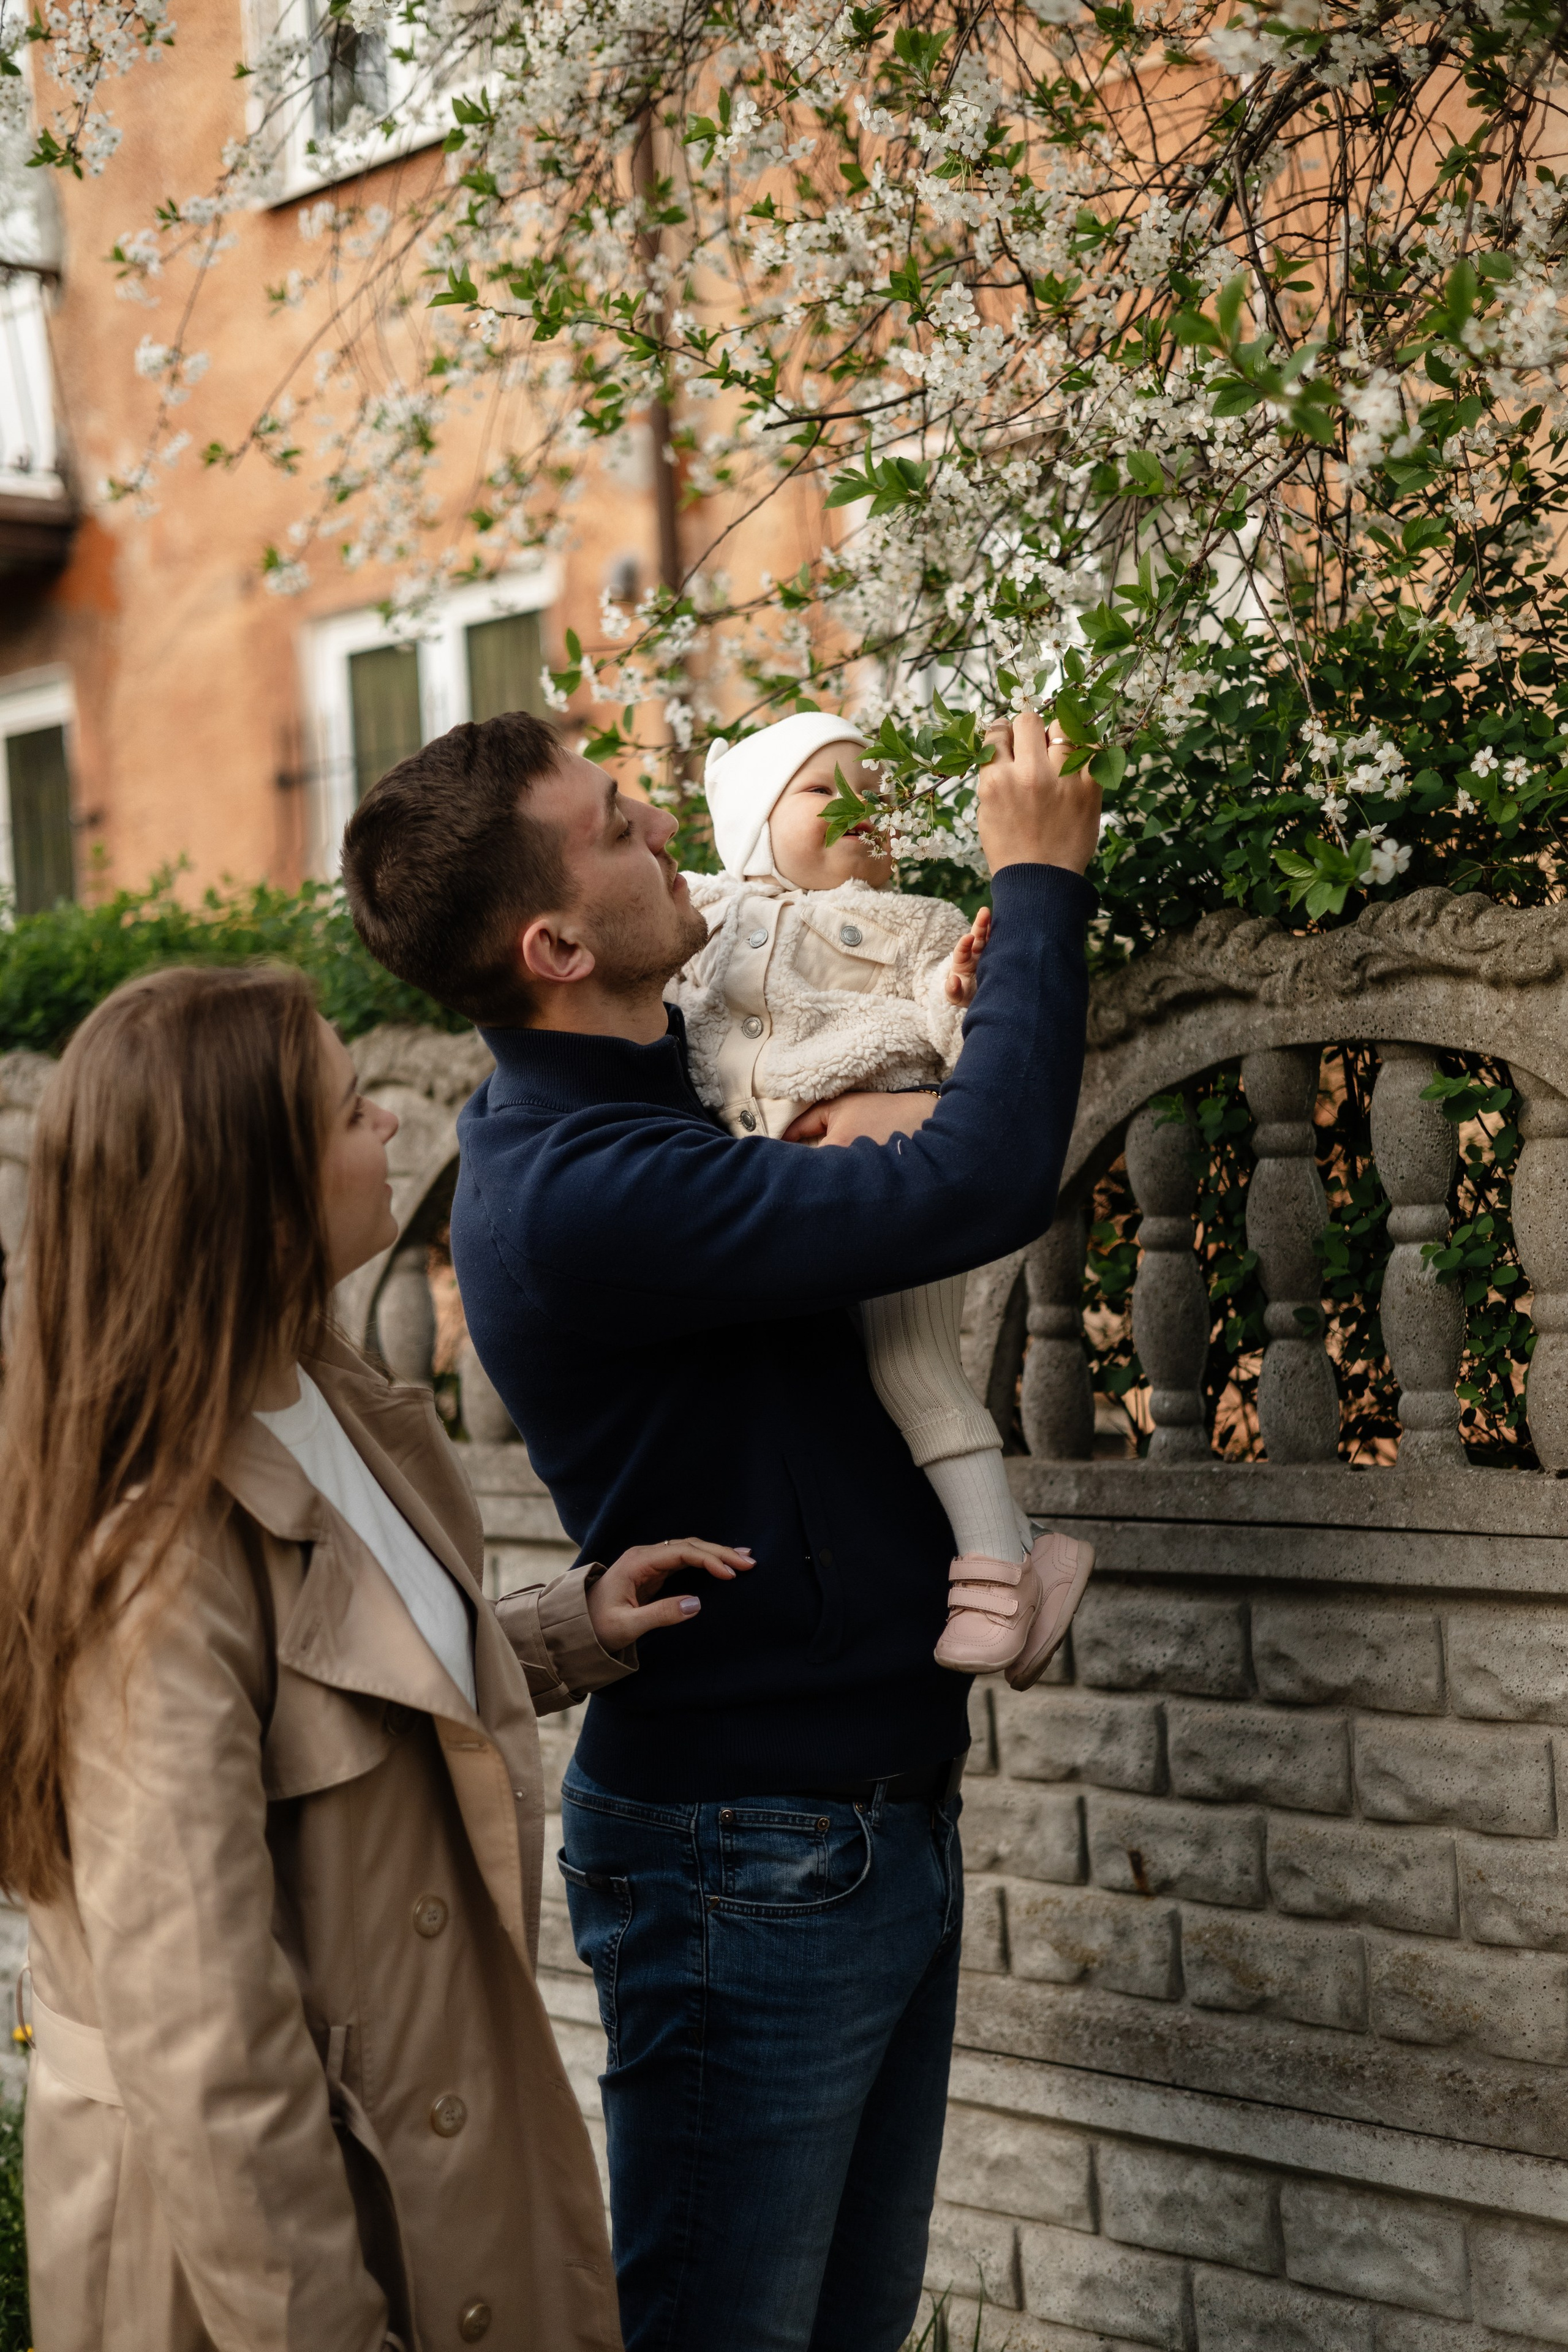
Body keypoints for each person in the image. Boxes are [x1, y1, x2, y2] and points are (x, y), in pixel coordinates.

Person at [340, 704, 1099, 2352]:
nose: (661, 837)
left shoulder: (670, 1087)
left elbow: (898, 1108)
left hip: (858, 1818)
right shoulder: (584, 1181)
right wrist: (1039, 888)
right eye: (616, 829)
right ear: (552, 943)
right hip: (747, 1855)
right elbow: (981, 1181)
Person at [0, 962, 748, 2352]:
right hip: (267, 2256)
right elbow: (205, 2050)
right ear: (256, 1190)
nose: (392, 1129)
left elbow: (353, 1689)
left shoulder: (321, 1390)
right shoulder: (158, 1566)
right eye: (349, 1112)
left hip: (427, 2160)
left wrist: (560, 1632)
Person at [676, 709, 1094, 1679]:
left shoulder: (920, 922)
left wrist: (959, 988)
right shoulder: (701, 912)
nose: (861, 807)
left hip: (889, 1177)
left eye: (876, 791)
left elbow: (968, 1045)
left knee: (915, 1367)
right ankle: (1026, 1549)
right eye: (825, 790)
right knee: (836, 1396)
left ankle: (995, 1569)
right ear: (750, 820)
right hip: (768, 1187)